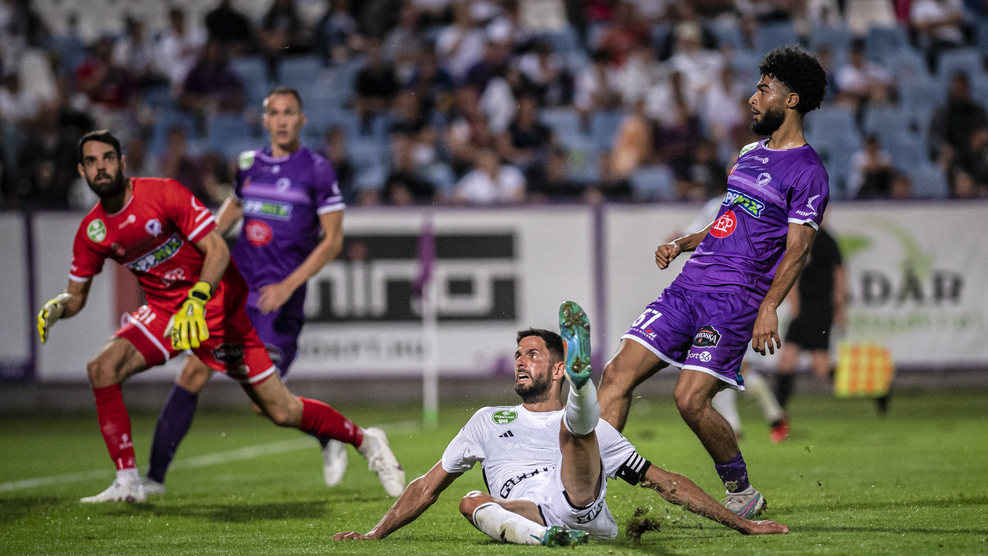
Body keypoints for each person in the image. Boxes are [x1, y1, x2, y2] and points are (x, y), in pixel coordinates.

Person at [36, 128, 405, 503]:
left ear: (122, 162)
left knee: (280, 410)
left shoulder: (163, 193)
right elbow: (76, 297)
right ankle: (129, 482)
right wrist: (59, 308)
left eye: (107, 159)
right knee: (103, 369)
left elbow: (218, 251)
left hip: (216, 308)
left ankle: (366, 441)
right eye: (92, 162)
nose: (101, 167)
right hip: (166, 313)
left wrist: (197, 298)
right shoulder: (93, 231)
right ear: (82, 171)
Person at [332, 302, 789, 544]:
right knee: (470, 501)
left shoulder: (598, 432)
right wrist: (374, 534)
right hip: (529, 514)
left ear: (556, 370)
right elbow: (426, 487)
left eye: (532, 355)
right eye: (517, 355)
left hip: (578, 499)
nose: (520, 361)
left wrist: (743, 525)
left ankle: (582, 388)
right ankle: (548, 539)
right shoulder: (486, 421)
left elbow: (665, 483)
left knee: (575, 432)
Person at [596, 45, 830, 517]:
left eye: (763, 90)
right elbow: (730, 219)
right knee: (616, 375)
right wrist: (685, 242)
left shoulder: (809, 173)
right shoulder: (748, 154)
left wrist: (769, 307)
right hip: (687, 287)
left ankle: (741, 492)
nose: (752, 98)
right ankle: (585, 497)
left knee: (690, 400)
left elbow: (798, 249)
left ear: (791, 100)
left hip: (734, 301)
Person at [138, 88, 405, 497]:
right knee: (193, 371)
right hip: (235, 291)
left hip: (276, 302)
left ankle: (359, 439)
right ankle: (153, 480)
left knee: (270, 406)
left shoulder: (317, 170)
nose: (281, 120)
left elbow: (333, 240)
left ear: (301, 119)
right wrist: (200, 244)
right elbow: (234, 206)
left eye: (289, 113)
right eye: (274, 113)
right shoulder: (248, 164)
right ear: (264, 120)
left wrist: (287, 286)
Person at [772, 222, 846, 438]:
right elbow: (790, 270)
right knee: (786, 360)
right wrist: (793, 300)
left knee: (821, 368)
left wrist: (840, 305)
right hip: (801, 310)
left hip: (821, 310)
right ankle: (777, 413)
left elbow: (839, 273)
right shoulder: (799, 238)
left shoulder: (827, 241)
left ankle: (868, 386)